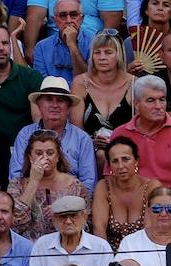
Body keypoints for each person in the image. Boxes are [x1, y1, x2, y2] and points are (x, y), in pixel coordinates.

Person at [111, 75, 171, 205]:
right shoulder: (120, 133)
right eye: (151, 100)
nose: (158, 106)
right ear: (136, 104)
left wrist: (162, 203)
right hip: (130, 201)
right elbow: (111, 179)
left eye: (162, 100)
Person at [24, 193, 111, 266]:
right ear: (54, 219)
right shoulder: (42, 246)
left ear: (84, 216)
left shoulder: (101, 247)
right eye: (62, 217)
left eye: (73, 216)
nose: (68, 221)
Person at [10, 76, 95, 194]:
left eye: (60, 100)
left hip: (71, 201)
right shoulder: (25, 135)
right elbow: (16, 177)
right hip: (31, 198)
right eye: (49, 99)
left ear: (68, 107)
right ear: (39, 105)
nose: (55, 105)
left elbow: (89, 183)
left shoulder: (82, 139)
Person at [70, 30, 134, 178]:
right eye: (97, 53)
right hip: (88, 150)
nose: (102, 57)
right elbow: (77, 130)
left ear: (119, 54)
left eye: (108, 52)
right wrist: (93, 142)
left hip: (126, 149)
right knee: (100, 155)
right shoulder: (81, 83)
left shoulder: (133, 83)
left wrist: (116, 141)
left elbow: (139, 127)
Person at [0, 24, 45, 188]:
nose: (1, 48)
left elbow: (38, 120)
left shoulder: (30, 77)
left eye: (5, 43)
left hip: (23, 149)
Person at [6, 131, 89, 241]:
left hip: (65, 245)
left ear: (58, 156)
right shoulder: (16, 185)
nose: (45, 157)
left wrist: (61, 213)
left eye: (50, 153)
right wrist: (33, 181)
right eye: (39, 153)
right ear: (30, 157)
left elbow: (85, 224)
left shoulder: (75, 186)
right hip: (29, 246)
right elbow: (16, 222)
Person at [29, 0, 92, 82]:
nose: (69, 21)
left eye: (73, 15)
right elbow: (42, 83)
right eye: (63, 16)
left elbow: (88, 83)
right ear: (55, 20)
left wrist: (72, 46)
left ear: (81, 19)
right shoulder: (41, 47)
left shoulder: (93, 43)